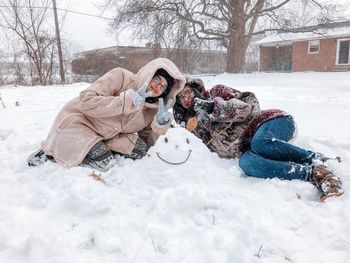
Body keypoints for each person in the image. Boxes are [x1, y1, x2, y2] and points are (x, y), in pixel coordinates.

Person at [173, 78, 343, 201]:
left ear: (194, 88)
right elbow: (186, 149)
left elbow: (251, 107)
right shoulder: (196, 127)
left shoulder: (216, 92)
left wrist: (214, 108)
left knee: (260, 143)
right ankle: (313, 173)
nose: (185, 98)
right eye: (180, 98)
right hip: (249, 148)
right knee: (246, 163)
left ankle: (317, 159)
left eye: (186, 92)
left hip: (272, 122)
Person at [28, 58, 186, 172]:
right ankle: (50, 152)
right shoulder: (121, 77)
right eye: (157, 79)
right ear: (149, 74)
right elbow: (86, 100)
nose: (158, 86)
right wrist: (123, 102)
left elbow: (150, 144)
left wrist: (159, 126)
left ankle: (95, 147)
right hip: (81, 122)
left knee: (140, 150)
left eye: (164, 87)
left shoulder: (152, 108)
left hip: (110, 135)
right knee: (105, 161)